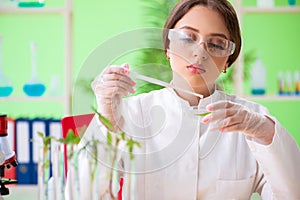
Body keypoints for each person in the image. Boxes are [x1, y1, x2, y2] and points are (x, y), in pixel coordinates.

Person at [71, 0, 300, 199]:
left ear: (227, 62)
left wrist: (263, 131)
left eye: (217, 44)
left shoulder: (251, 121)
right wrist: (108, 118)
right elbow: (82, 193)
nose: (200, 53)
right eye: (187, 38)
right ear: (168, 48)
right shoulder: (131, 113)